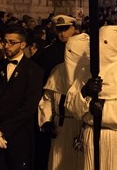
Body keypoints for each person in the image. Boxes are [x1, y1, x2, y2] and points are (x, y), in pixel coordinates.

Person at [66, 25, 117, 170]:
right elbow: (71, 106)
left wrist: (103, 109)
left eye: (105, 43)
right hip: (91, 135)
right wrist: (84, 92)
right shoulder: (86, 73)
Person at [0, 24, 43, 170]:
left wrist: (2, 131)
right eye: (5, 41)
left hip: (18, 135)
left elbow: (28, 107)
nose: (7, 46)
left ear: (23, 44)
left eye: (12, 42)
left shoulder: (34, 71)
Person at [38, 33, 89, 169]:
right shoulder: (58, 71)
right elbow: (47, 99)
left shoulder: (90, 74)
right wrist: (46, 120)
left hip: (81, 127)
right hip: (60, 126)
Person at [34, 14, 78, 170]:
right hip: (57, 113)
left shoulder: (85, 52)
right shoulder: (48, 52)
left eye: (66, 29)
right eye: (59, 30)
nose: (62, 33)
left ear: (74, 29)